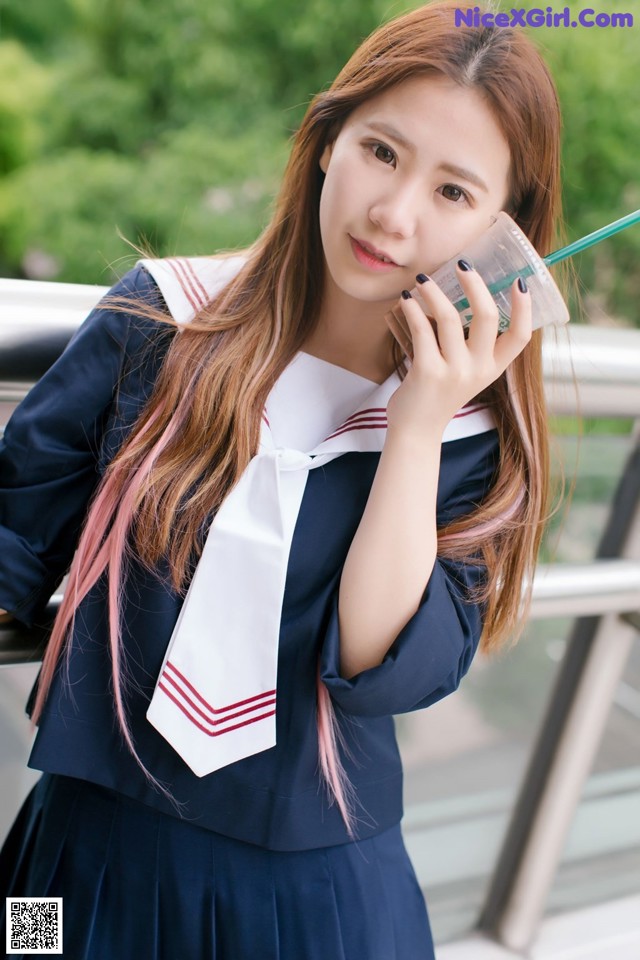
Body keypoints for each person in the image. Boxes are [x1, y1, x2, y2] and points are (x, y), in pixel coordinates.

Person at [0, 1, 564, 957]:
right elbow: (15, 530)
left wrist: (418, 425)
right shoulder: (161, 323)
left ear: (501, 234)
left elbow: (385, 666)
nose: (395, 214)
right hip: (71, 863)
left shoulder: (473, 438)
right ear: (325, 141)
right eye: (382, 152)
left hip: (322, 906)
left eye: (454, 193)